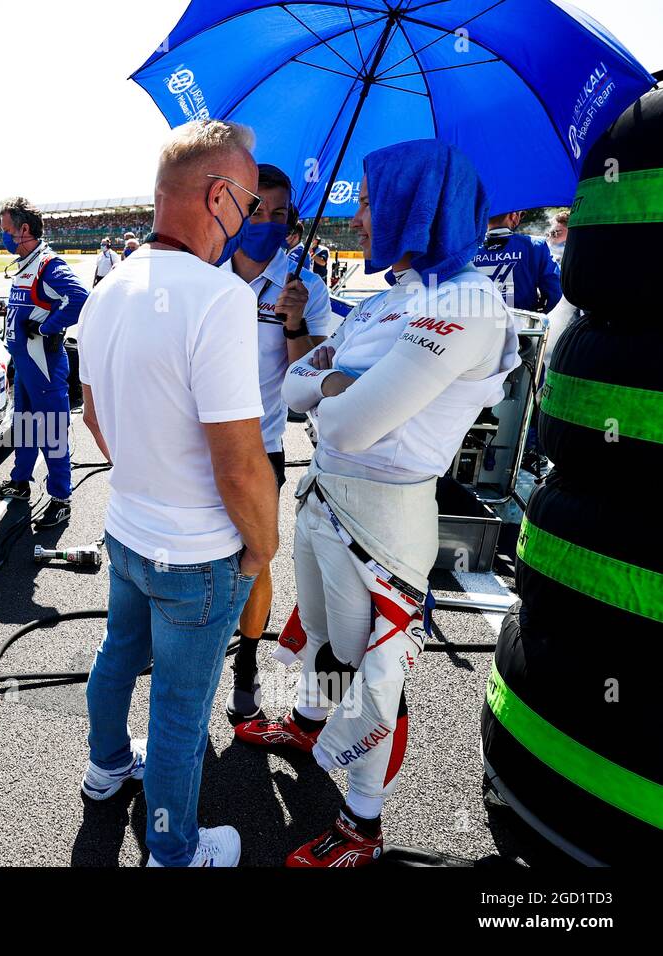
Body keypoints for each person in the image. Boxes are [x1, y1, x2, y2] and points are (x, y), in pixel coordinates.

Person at [240, 139, 519, 867]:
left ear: (415, 205)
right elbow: (302, 382)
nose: (358, 218)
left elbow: (341, 415)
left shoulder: (468, 303)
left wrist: (334, 387)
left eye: (368, 201)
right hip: (326, 493)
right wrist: (337, 384)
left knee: (375, 671)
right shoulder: (399, 294)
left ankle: (363, 825)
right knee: (327, 637)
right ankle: (306, 722)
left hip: (386, 517)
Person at [77, 119, 278, 868]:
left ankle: (104, 770)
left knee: (116, 654)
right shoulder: (218, 298)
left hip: (126, 529)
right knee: (182, 712)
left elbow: (96, 417)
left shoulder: (108, 288)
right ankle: (172, 849)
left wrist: (144, 471)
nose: (253, 219)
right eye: (251, 204)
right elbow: (239, 465)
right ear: (219, 195)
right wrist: (265, 545)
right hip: (195, 555)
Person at [218, 164, 331, 724]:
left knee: (255, 560)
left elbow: (314, 386)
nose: (265, 222)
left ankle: (245, 668)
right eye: (254, 210)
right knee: (194, 558)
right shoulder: (202, 271)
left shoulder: (304, 285)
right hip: (199, 444)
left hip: (261, 446)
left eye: (279, 214)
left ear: (293, 222)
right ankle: (197, 658)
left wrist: (293, 326)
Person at [0, 196, 89, 530]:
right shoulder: (25, 264)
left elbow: (80, 300)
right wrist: (5, 311)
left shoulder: (48, 264)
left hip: (44, 366)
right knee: (27, 426)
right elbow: (31, 304)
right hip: (24, 365)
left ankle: (61, 499)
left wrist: (47, 326)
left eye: (5, 230)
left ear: (24, 229)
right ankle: (20, 482)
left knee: (53, 432)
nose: (2, 236)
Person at [473, 209, 562, 312]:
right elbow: (555, 290)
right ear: (513, 215)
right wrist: (542, 314)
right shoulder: (535, 245)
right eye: (521, 214)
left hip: (478, 323)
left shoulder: (468, 251)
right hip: (522, 323)